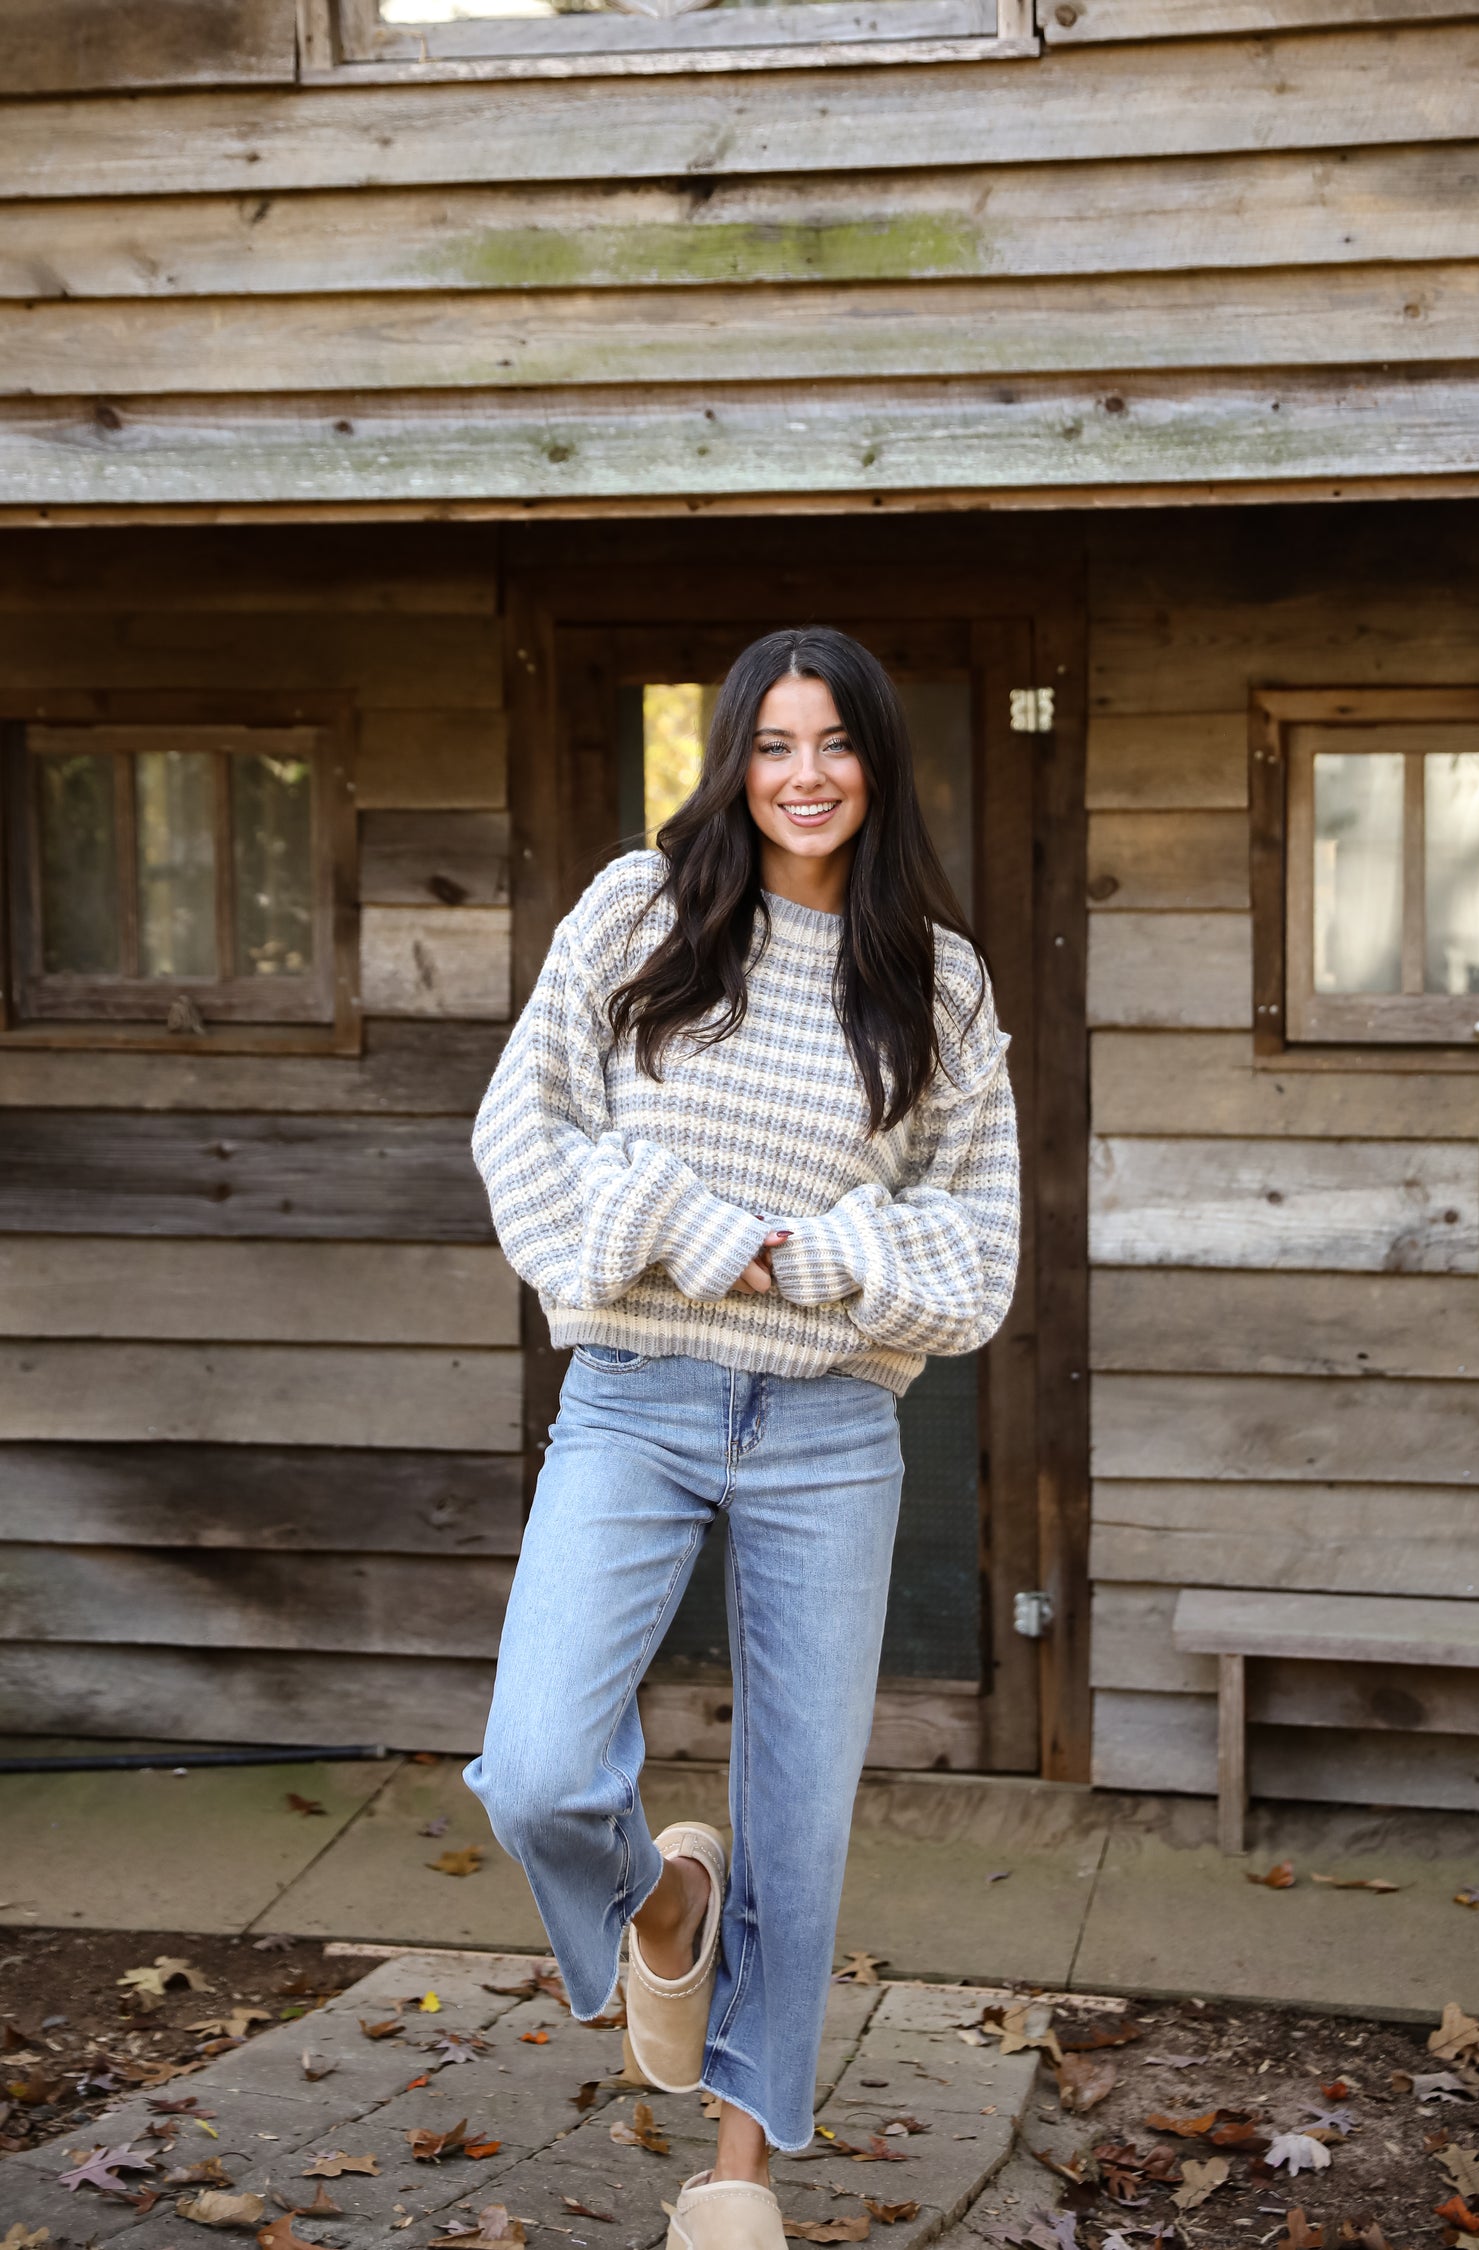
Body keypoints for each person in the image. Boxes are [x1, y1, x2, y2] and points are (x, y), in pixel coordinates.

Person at [466, 626, 1021, 2250]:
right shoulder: (638, 913)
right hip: (635, 1393)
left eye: (834, 741)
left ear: (878, 762)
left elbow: (977, 1252)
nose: (804, 773)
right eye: (774, 741)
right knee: (544, 1770)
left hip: (831, 1424)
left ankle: (734, 2174)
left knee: (803, 1810)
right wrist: (700, 1229)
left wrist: (822, 1256)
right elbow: (523, 1136)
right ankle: (663, 1897)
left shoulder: (939, 980)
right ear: (734, 756)